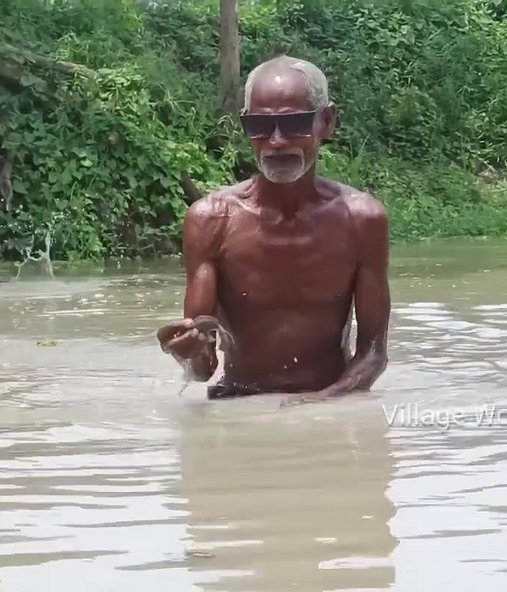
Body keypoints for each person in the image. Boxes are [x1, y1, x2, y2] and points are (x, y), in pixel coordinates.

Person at [156, 54, 390, 405]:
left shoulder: (361, 220)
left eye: (294, 124)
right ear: (244, 126)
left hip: (328, 401)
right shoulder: (211, 220)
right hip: (240, 402)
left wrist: (320, 404)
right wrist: (187, 351)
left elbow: (373, 353)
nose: (277, 141)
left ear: (326, 122)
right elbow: (202, 370)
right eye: (261, 127)